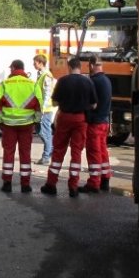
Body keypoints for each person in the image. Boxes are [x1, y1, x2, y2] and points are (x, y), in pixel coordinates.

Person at [41, 57, 97, 198]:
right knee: (76, 152)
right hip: (81, 119)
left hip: (65, 117)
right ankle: (73, 186)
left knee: (59, 150)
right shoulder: (88, 81)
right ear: (80, 67)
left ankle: (51, 184)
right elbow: (94, 104)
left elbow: (54, 102)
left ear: (69, 67)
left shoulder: (63, 81)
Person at [0, 59, 42, 193]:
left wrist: (0, 121)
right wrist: (36, 120)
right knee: (25, 153)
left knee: (8, 153)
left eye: (11, 68)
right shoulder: (32, 85)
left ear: (14, 68)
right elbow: (39, 105)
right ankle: (25, 185)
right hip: (27, 125)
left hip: (9, 124)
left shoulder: (4, 84)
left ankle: (7, 183)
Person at [80, 55, 113, 193]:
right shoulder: (106, 80)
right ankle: (105, 179)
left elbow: (90, 103)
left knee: (94, 153)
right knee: (103, 151)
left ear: (92, 65)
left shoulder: (93, 81)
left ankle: (94, 183)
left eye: (89, 66)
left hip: (94, 123)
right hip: (104, 121)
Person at [33, 54, 55, 165]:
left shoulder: (46, 75)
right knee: (39, 130)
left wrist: (43, 108)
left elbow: (47, 93)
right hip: (40, 109)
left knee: (44, 131)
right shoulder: (40, 74)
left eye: (35, 62)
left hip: (45, 110)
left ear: (41, 63)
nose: (33, 64)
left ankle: (47, 155)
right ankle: (50, 149)